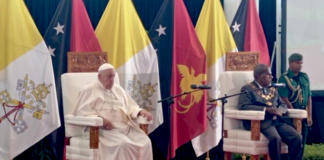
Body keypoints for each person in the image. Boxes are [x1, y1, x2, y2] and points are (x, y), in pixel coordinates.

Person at [72, 63, 153, 160]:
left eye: (113, 76)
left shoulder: (118, 89)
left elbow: (130, 107)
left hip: (125, 128)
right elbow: (81, 113)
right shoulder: (89, 89)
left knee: (146, 141)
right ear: (99, 76)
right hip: (105, 131)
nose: (112, 80)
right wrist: (101, 119)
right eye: (109, 76)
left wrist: (141, 112)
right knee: (123, 144)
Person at [238, 64, 302, 160]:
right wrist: (266, 110)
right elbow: (243, 106)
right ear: (259, 75)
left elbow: (282, 103)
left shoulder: (272, 89)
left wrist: (281, 110)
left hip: (277, 121)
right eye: (269, 74)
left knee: (297, 137)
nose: (272, 77)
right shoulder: (247, 89)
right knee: (276, 139)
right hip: (262, 122)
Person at [278, 53, 312, 154]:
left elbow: (309, 97)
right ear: (290, 63)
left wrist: (309, 115)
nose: (300, 65)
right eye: (297, 63)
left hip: (303, 114)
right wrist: (296, 114)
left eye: (301, 63)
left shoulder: (304, 77)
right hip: (290, 116)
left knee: (302, 143)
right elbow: (284, 99)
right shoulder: (284, 78)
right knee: (292, 143)